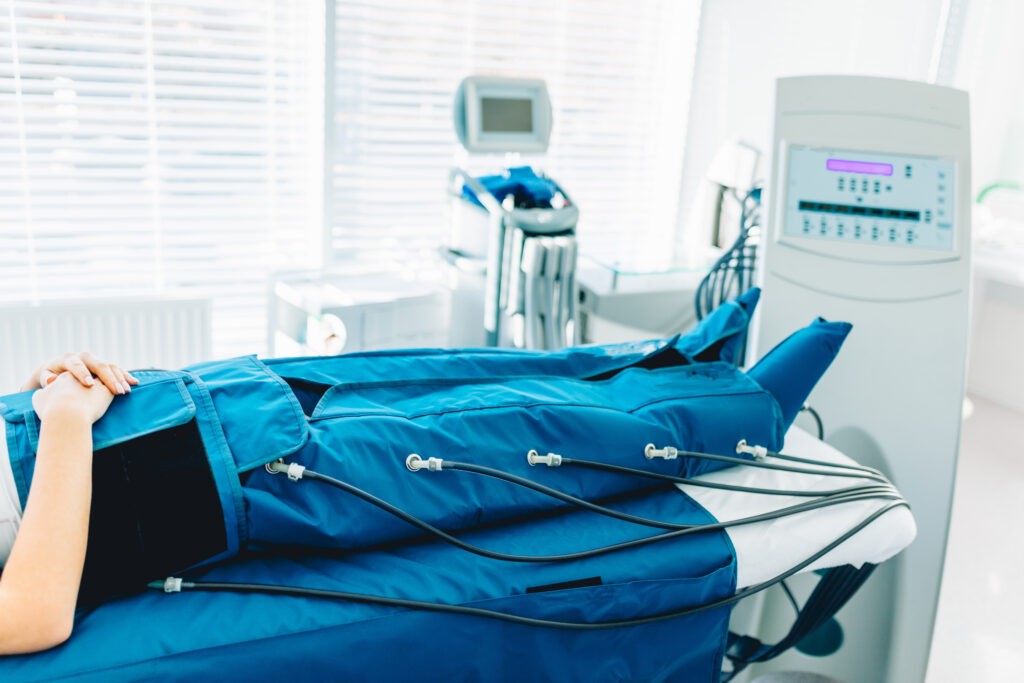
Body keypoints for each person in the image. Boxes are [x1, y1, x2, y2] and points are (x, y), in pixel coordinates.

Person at [0, 354, 137, 655]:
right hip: (126, 475)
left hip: (61, 419)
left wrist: (36, 387)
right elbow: (30, 616)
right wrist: (66, 414)